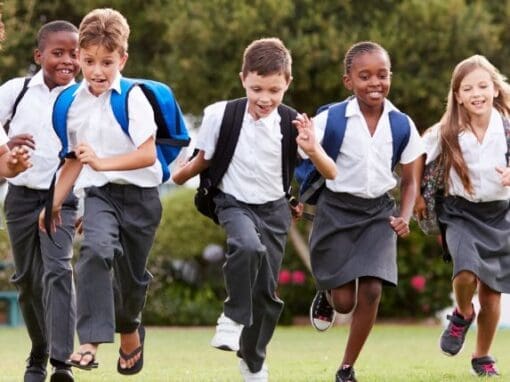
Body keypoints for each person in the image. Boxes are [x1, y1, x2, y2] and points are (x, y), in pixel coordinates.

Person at [171, 37, 336, 381]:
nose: (265, 98)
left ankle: (253, 359)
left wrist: (312, 147)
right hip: (231, 202)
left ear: (287, 83)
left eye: (274, 90)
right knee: (246, 245)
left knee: (267, 295)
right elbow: (205, 159)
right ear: (243, 78)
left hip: (274, 209)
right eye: (257, 88)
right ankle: (231, 317)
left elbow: (330, 171)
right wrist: (179, 173)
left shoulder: (296, 124)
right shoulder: (220, 115)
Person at [38, 8, 162, 376]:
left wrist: (102, 161)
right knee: (94, 250)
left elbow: (147, 154)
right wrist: (53, 203)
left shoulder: (134, 97)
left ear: (122, 59)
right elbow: (74, 161)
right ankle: (89, 342)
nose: (97, 71)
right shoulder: (71, 103)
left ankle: (129, 331)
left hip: (142, 198)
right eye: (89, 60)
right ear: (78, 57)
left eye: (107, 62)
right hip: (101, 196)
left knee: (131, 280)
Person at [305, 41, 424, 382]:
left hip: (378, 214)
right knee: (344, 302)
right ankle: (327, 293)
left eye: (382, 75)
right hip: (336, 209)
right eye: (365, 76)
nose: (375, 83)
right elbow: (301, 156)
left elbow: (410, 180)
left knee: (372, 289)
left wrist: (405, 216)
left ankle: (346, 368)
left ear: (390, 77)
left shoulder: (401, 124)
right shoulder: (331, 119)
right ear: (348, 82)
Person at [414, 55, 510, 378]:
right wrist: (414, 194)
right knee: (466, 272)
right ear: (457, 95)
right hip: (460, 213)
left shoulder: (507, 125)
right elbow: (415, 153)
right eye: (467, 88)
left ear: (495, 89)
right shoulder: (447, 130)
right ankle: (463, 313)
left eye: (483, 86)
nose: (476, 93)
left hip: (500, 214)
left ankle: (482, 357)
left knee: (492, 291)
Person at [0, 20, 79, 382]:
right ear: (39, 55)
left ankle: (61, 363)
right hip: (19, 197)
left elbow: (89, 156)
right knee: (29, 280)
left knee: (58, 269)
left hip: (63, 196)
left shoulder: (83, 99)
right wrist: (7, 145)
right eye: (58, 53)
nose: (68, 61)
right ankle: (38, 355)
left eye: (74, 54)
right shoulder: (15, 91)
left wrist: (86, 202)